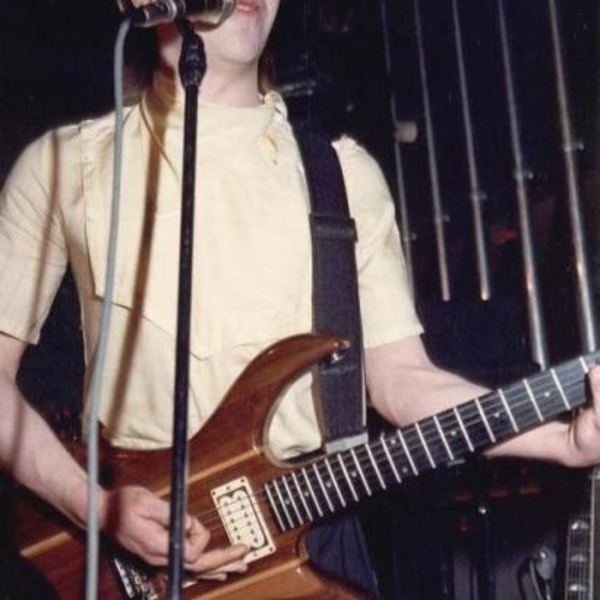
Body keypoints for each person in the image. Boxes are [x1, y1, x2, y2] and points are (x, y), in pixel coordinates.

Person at [1, 0, 600, 594]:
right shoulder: (63, 166)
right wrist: (95, 509)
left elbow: (403, 380)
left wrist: (561, 440)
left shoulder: (342, 176)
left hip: (311, 540)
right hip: (122, 550)